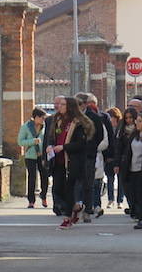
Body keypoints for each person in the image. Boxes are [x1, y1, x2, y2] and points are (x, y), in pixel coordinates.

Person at [46, 97, 95, 229]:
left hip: (73, 160)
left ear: (70, 106)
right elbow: (52, 137)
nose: (59, 107)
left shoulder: (78, 123)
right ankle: (76, 207)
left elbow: (81, 144)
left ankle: (67, 218)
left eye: (63, 104)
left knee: (69, 189)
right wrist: (50, 146)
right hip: (58, 160)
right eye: (59, 104)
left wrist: (64, 147)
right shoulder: (56, 120)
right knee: (57, 189)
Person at [74, 93, 105, 222]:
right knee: (76, 182)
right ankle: (77, 206)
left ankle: (87, 209)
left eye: (80, 104)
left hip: (89, 154)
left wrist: (92, 146)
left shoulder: (94, 118)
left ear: (86, 104)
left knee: (88, 182)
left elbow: (100, 135)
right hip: (75, 154)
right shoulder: (73, 117)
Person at [18, 107, 48, 209]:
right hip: (30, 156)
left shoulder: (45, 127)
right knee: (32, 177)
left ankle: (43, 196)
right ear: (35, 117)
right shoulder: (26, 127)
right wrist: (32, 141)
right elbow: (20, 141)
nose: (43, 120)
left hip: (42, 155)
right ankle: (31, 201)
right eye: (42, 118)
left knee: (44, 176)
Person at [43, 95, 64, 215]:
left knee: (63, 183)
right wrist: (44, 157)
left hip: (65, 155)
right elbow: (47, 138)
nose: (57, 106)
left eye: (59, 103)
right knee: (56, 182)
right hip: (54, 157)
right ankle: (57, 205)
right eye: (55, 103)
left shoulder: (71, 120)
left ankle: (63, 204)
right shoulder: (50, 119)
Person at [115, 107, 138, 216]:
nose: (129, 120)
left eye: (131, 118)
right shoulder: (122, 130)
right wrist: (116, 163)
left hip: (136, 160)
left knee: (135, 187)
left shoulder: (139, 130)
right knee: (126, 186)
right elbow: (118, 147)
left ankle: (136, 207)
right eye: (127, 118)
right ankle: (132, 206)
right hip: (124, 161)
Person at [105, 107, 124, 209]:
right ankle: (110, 199)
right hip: (109, 158)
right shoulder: (107, 128)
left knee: (121, 180)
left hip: (119, 158)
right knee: (110, 179)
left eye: (111, 117)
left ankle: (119, 200)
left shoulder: (121, 127)